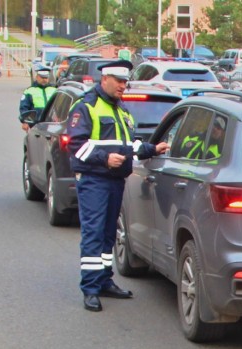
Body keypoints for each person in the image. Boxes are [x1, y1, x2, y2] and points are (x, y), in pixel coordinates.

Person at [66, 60, 170, 312]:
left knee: (108, 233)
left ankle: (104, 280)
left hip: (114, 180)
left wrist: (151, 149)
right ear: (105, 79)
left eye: (126, 82)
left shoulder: (121, 111)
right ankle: (90, 289)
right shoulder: (87, 106)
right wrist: (104, 158)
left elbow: (128, 145)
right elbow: (76, 144)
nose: (124, 86)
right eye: (119, 81)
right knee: (94, 233)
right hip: (94, 179)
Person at [19, 67, 56, 131]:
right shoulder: (29, 91)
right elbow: (24, 108)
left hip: (52, 124)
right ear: (37, 77)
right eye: (42, 78)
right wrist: (25, 122)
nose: (44, 80)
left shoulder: (54, 90)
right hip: (35, 124)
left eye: (46, 78)